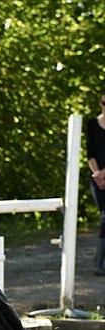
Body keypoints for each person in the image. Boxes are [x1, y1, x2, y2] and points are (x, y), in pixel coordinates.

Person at [85, 89, 105, 276]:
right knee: (104, 216)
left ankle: (99, 263)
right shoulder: (92, 124)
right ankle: (99, 264)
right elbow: (90, 152)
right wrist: (98, 174)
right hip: (97, 179)